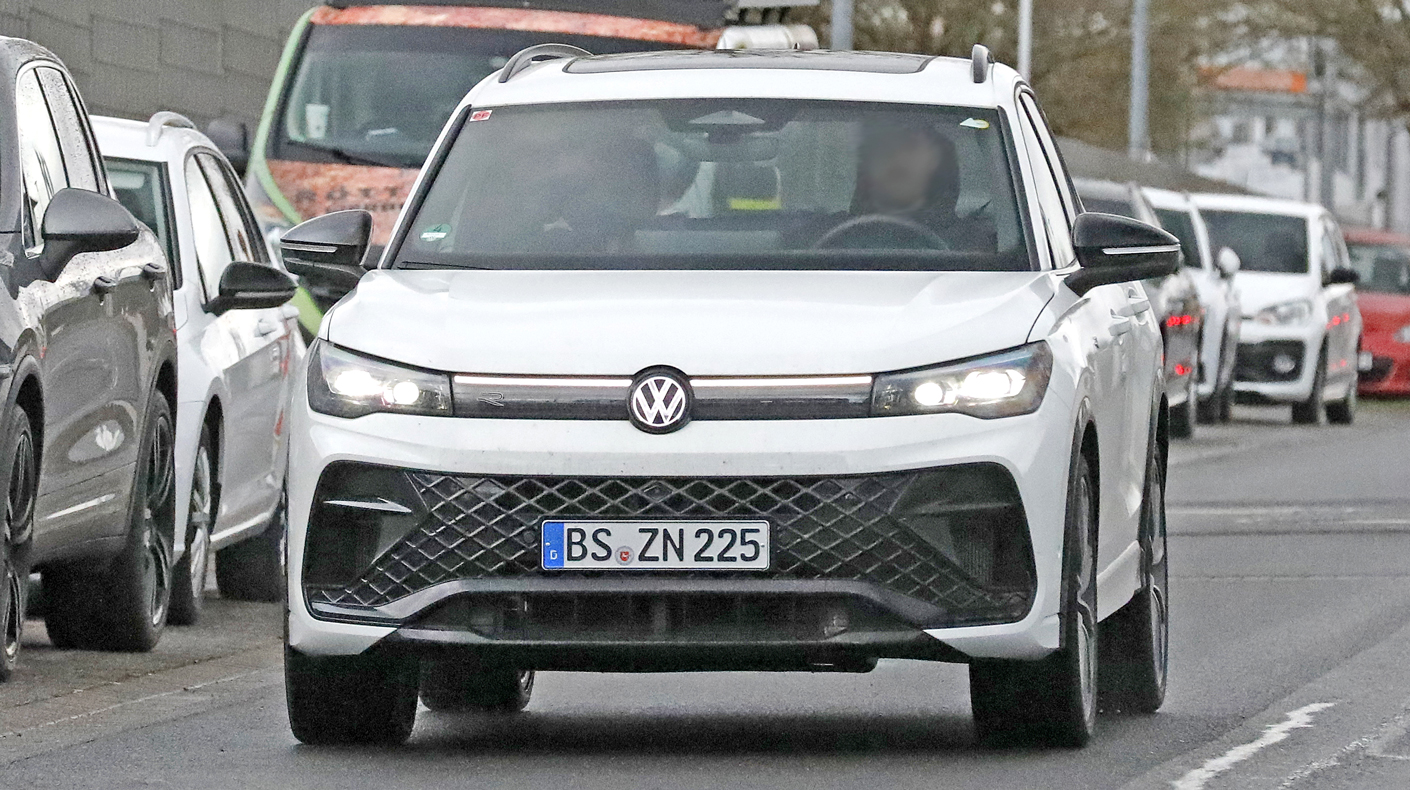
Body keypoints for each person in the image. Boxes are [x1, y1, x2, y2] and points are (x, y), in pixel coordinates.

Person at [837, 118, 996, 251]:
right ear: (867, 162)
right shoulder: (823, 236)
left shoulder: (978, 245)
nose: (896, 157)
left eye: (909, 145)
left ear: (936, 159)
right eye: (883, 146)